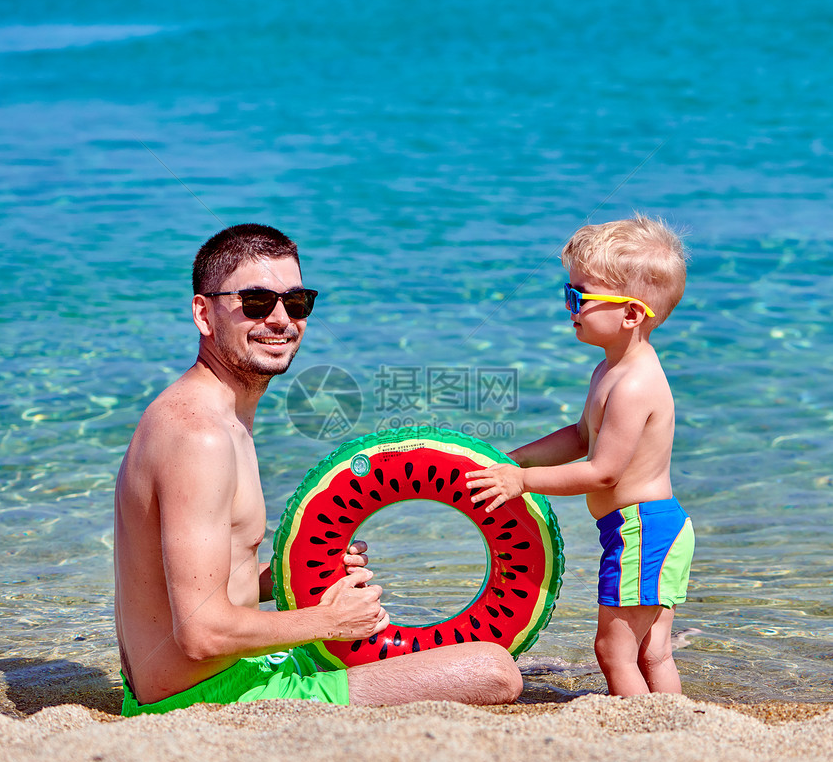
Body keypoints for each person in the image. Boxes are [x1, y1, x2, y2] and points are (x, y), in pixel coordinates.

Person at [114, 223, 522, 715]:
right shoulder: (198, 436)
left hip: (227, 675)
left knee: (448, 655)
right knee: (494, 669)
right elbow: (201, 633)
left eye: (297, 302)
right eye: (257, 302)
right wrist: (328, 622)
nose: (281, 319)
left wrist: (297, 576)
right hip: (202, 699)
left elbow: (213, 584)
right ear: (204, 313)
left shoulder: (214, 417)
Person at [466, 215, 694, 696]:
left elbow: (604, 471)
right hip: (649, 527)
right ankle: (673, 727)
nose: (569, 307)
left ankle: (637, 732)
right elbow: (578, 435)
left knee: (614, 652)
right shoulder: (611, 368)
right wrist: (512, 459)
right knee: (650, 651)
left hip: (642, 528)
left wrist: (522, 483)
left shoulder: (633, 384)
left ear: (631, 314)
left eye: (579, 298)